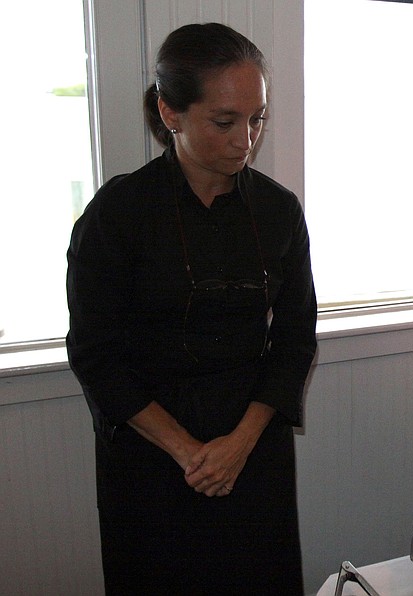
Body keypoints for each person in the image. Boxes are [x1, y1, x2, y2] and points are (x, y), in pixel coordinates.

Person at [66, 23, 317, 593]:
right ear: (170, 112)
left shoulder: (279, 212)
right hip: (151, 450)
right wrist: (189, 452)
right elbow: (95, 354)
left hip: (252, 446)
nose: (244, 139)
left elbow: (296, 340)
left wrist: (239, 445)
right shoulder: (118, 215)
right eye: (225, 122)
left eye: (257, 119)